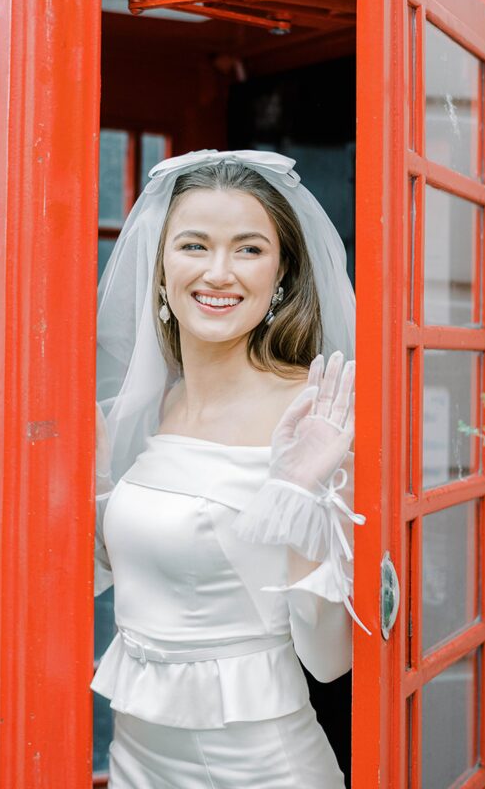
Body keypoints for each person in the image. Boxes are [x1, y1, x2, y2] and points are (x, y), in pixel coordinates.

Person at [93, 149, 370, 789]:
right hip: (136, 757)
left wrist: (300, 494)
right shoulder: (152, 404)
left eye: (248, 249)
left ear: (280, 276)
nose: (219, 273)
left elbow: (329, 658)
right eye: (194, 245)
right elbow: (116, 568)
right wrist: (95, 487)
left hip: (260, 768)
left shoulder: (314, 414)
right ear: (159, 268)